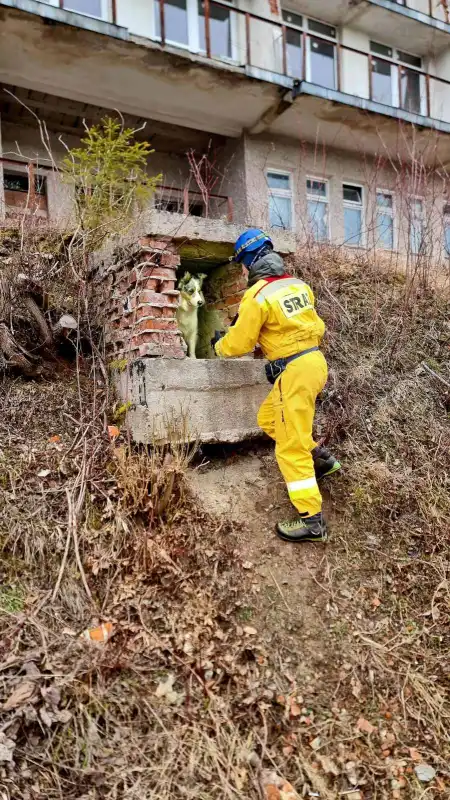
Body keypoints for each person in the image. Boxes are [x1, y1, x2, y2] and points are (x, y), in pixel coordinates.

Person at [212, 229, 340, 543]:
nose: (242, 271)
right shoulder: (298, 286)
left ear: (247, 261)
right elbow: (317, 326)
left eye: (241, 264)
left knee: (289, 447)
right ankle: (320, 459)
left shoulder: (256, 295)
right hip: (314, 363)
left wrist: (218, 346)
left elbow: (241, 341)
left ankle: (311, 521)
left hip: (295, 370)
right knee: (269, 419)